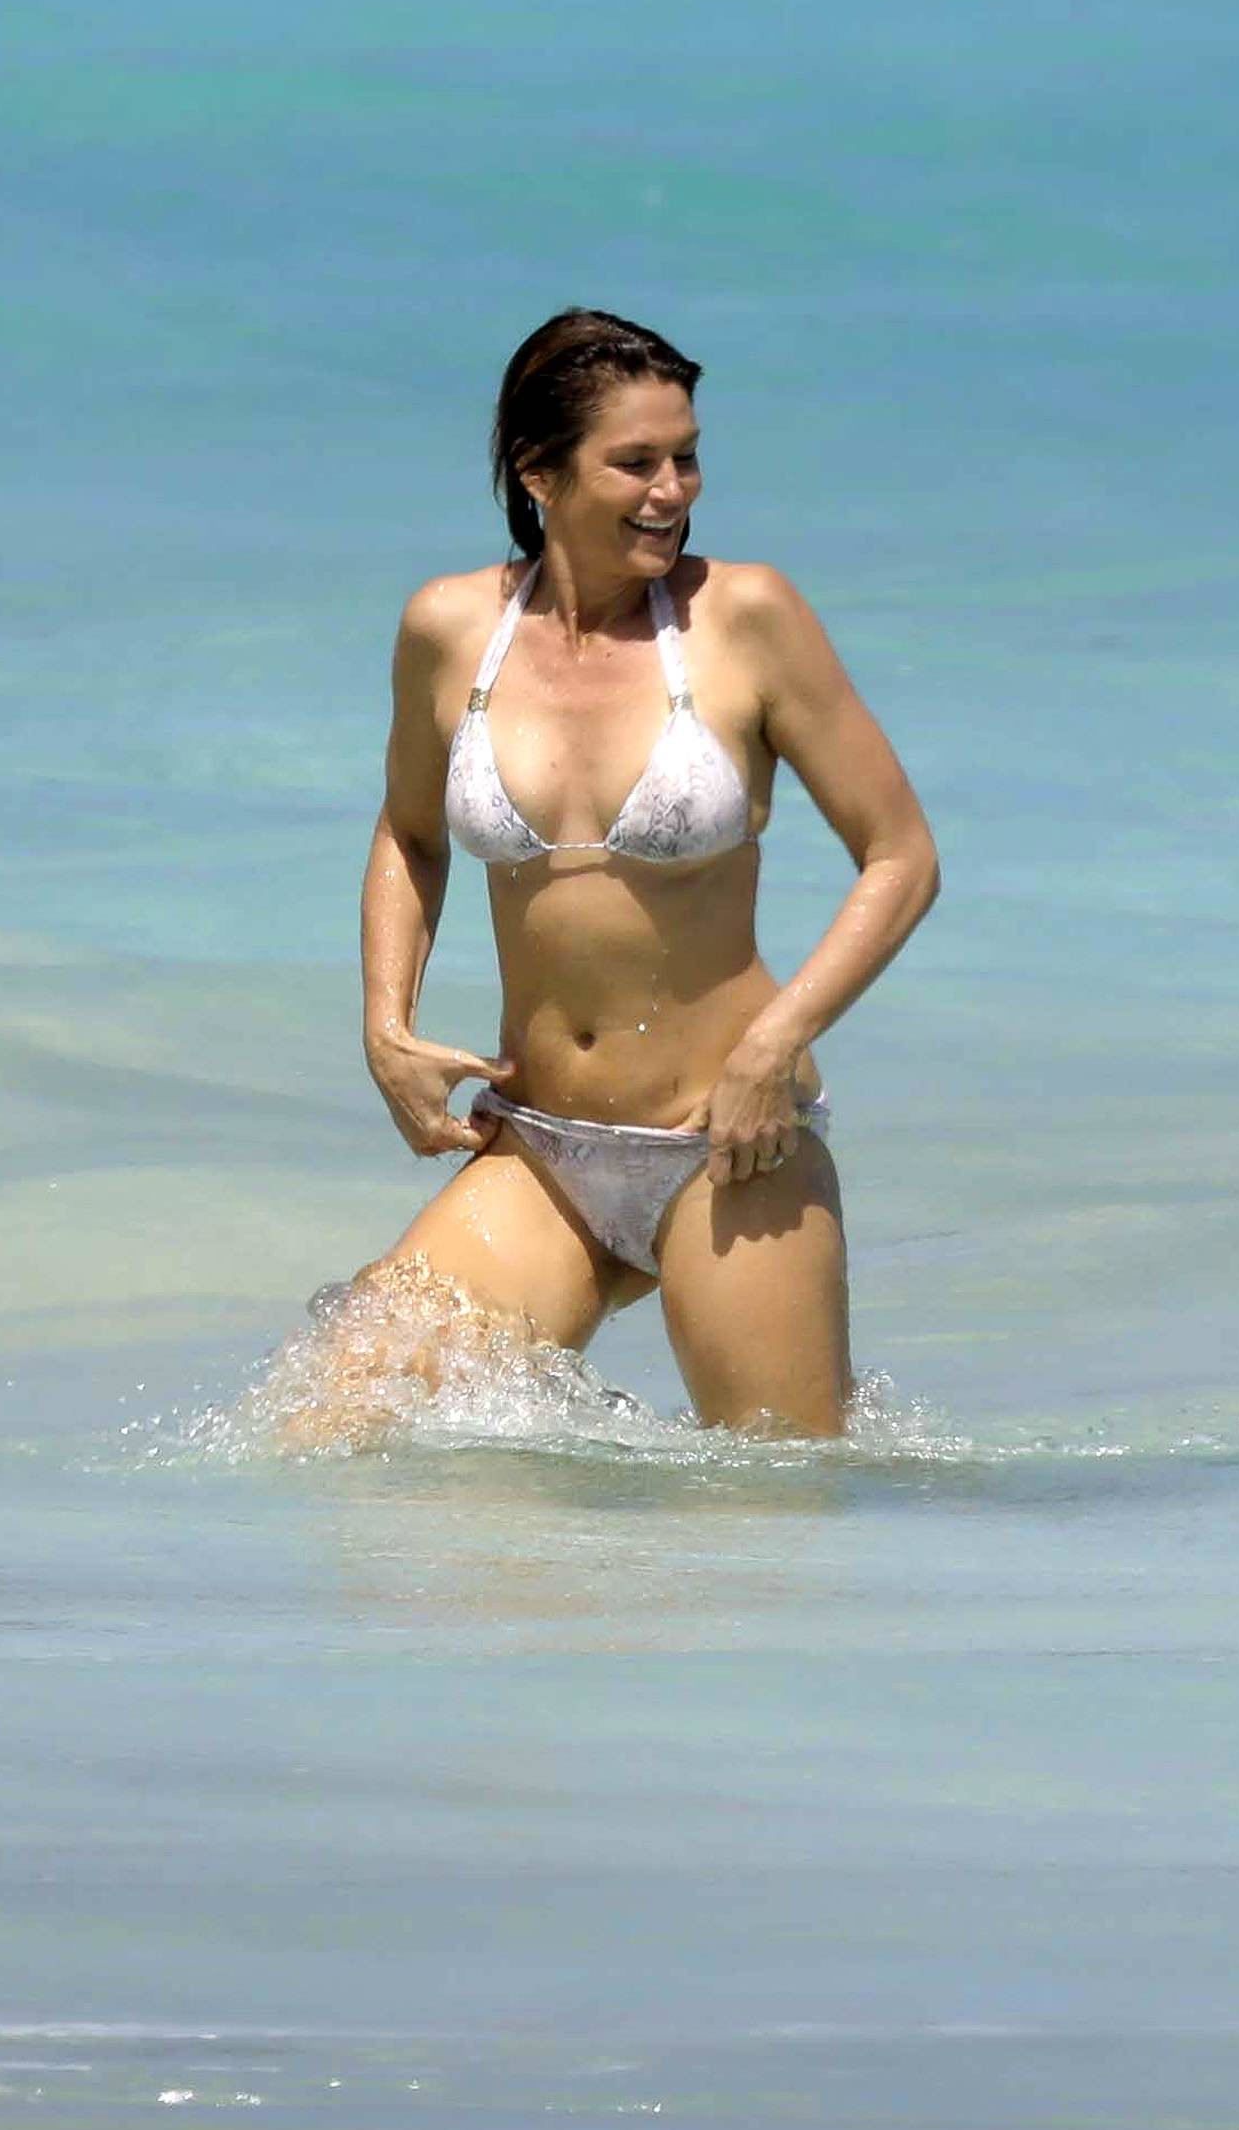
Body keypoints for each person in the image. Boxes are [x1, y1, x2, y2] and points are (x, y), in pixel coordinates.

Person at [329, 310, 939, 1438]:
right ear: (539, 473)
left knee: (773, 1508)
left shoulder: (743, 617)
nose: (674, 489)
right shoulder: (452, 628)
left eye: (687, 456)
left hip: (728, 1148)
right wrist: (385, 1026)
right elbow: (409, 835)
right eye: (636, 463)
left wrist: (775, 1044)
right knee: (339, 1425)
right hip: (541, 1148)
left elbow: (900, 856)